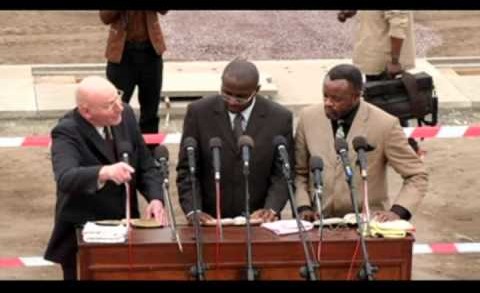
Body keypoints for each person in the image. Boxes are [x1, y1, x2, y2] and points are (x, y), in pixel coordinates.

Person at [44, 76, 167, 280]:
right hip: (84, 238)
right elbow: (65, 177)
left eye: (118, 97)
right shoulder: (67, 131)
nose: (119, 106)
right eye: (109, 105)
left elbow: (144, 163)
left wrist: (155, 198)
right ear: (86, 112)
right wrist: (105, 172)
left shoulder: (125, 115)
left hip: (126, 232)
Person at [295, 64, 428, 223]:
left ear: (356, 96)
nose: (328, 103)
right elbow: (299, 172)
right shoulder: (308, 118)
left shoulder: (385, 124)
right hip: (320, 225)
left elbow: (416, 174)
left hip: (368, 224)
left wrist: (398, 212)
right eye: (325, 96)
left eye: (336, 99)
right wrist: (304, 207)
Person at [176, 58, 294, 224]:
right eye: (226, 94)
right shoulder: (198, 112)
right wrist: (193, 209)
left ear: (256, 90)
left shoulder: (279, 118)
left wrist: (271, 208)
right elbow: (187, 169)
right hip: (209, 221)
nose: (232, 101)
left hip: (259, 222)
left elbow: (283, 173)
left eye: (240, 97)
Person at [338, 10, 421, 154]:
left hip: (384, 64)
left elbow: (398, 22)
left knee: (390, 108)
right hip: (373, 58)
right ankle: (404, 147)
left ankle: (407, 149)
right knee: (387, 107)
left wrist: (394, 61)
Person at [100, 10, 168, 151]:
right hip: (122, 55)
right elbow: (105, 17)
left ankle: (150, 153)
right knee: (115, 107)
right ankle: (116, 151)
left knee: (150, 110)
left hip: (150, 52)